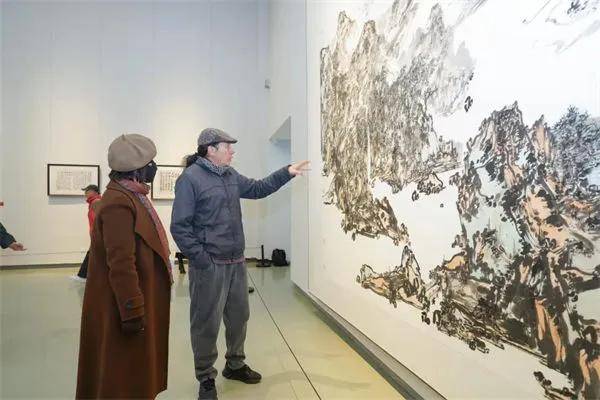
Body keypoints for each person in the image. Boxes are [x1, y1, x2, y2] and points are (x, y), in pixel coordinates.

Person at [170, 128, 309, 400]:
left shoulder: (230, 175)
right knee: (206, 323)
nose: (232, 151)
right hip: (210, 265)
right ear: (211, 149)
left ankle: (234, 365)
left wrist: (286, 172)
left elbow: (257, 189)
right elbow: (180, 227)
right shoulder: (190, 179)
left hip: (236, 262)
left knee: (238, 317)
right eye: (227, 146)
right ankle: (206, 378)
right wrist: (202, 260)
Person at [76, 134, 173, 399]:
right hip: (121, 305)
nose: (154, 167)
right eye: (150, 163)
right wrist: (132, 309)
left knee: (130, 371)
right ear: (137, 168)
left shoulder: (132, 196)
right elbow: (120, 263)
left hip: (132, 298)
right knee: (122, 374)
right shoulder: (119, 202)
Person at [70, 185, 102, 282]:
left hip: (98, 235)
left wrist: (97, 234)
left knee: (92, 254)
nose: (85, 193)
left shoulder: (96, 202)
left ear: (94, 192)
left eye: (87, 191)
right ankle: (85, 276)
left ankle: (82, 276)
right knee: (94, 255)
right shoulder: (94, 202)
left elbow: (101, 220)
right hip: (96, 234)